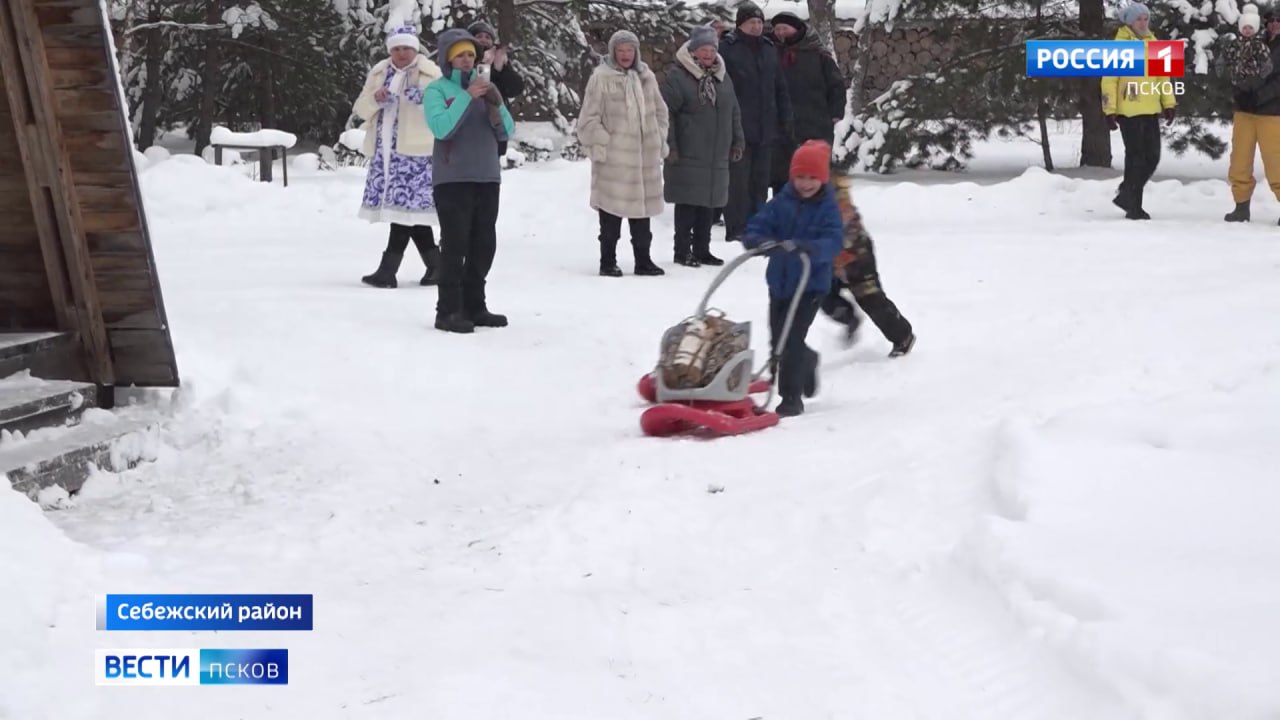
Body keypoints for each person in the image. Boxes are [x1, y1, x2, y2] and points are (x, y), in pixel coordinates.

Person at [741, 140, 843, 418]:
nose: (806, 183)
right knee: (779, 339)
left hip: (810, 286)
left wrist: (810, 248)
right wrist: (757, 241)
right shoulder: (781, 203)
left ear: (822, 179)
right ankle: (807, 360)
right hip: (780, 283)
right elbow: (759, 225)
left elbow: (834, 240)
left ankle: (790, 398)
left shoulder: (828, 208)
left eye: (812, 178)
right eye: (800, 177)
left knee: (791, 340)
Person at [424, 28, 516, 333]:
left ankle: (475, 306)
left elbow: (506, 131)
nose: (466, 60)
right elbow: (441, 128)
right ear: (449, 59)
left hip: (487, 176)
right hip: (452, 178)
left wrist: (495, 101)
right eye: (460, 55)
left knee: (483, 244)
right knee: (455, 244)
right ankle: (447, 310)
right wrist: (466, 98)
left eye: (470, 55)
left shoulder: (485, 88)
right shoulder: (437, 90)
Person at [353, 26, 443, 288]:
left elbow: (445, 106)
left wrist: (424, 98)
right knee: (407, 213)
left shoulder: (430, 73)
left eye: (406, 48)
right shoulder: (380, 72)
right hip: (385, 154)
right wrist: (375, 99)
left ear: (415, 49)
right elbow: (360, 108)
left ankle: (388, 271)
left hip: (416, 154)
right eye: (396, 48)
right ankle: (436, 267)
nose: (401, 53)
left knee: (404, 212)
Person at [576, 30, 669, 277]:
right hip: (614, 160)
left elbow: (661, 111)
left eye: (630, 50)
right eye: (621, 50)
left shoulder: (646, 77)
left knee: (642, 213)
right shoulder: (601, 78)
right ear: (613, 52)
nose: (626, 55)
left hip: (644, 158)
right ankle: (608, 261)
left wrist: (657, 136)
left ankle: (643, 260)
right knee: (611, 215)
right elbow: (588, 118)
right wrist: (605, 141)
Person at [662, 25, 744, 267]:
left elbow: (734, 111)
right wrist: (671, 145)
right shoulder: (677, 76)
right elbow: (666, 114)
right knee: (687, 203)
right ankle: (681, 251)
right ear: (693, 51)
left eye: (711, 49)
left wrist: (738, 140)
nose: (708, 54)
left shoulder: (722, 76)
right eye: (703, 50)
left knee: (708, 203)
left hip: (716, 152)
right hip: (688, 151)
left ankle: (702, 249)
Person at [821, 173, 916, 357]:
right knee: (821, 294)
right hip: (831, 261)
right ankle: (848, 317)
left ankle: (902, 336)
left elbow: (848, 232)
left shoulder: (839, 207)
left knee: (871, 299)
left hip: (858, 258)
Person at [720, 2, 793, 242]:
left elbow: (780, 86)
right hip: (739, 126)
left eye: (760, 22)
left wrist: (785, 120)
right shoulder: (727, 49)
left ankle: (758, 224)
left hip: (766, 126)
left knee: (761, 180)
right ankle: (737, 226)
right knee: (738, 181)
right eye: (752, 22)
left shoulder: (769, 48)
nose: (757, 26)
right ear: (741, 24)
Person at [1101, 2, 1176, 220]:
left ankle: (1126, 194)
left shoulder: (1154, 43)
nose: (1143, 23)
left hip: (1150, 108)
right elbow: (1109, 80)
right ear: (1129, 22)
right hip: (1128, 110)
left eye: (1146, 18)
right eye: (1138, 19)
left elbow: (1163, 76)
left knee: (1152, 156)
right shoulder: (1119, 45)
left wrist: (1169, 103)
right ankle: (1134, 206)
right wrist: (1110, 110)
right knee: (1136, 157)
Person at [767, 12, 846, 196]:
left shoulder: (818, 53)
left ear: (796, 29)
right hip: (781, 126)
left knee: (814, 173)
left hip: (815, 123)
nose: (780, 33)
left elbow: (836, 84)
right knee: (783, 174)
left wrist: (835, 113)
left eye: (784, 28)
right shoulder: (770, 52)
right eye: (777, 29)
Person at [1223, 4, 1280, 222]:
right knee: (1239, 160)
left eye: (1279, 20)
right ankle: (1241, 206)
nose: (1275, 24)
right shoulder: (1252, 41)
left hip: (1273, 113)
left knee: (1276, 162)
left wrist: (1259, 96)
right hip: (1244, 111)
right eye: (1271, 20)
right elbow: (1235, 69)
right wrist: (1239, 93)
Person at [467, 20, 526, 157]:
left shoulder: (499, 61)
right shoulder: (465, 59)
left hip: (496, 123)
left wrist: (501, 69)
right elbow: (476, 86)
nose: (483, 40)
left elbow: (515, 89)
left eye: (488, 37)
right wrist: (483, 65)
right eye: (479, 36)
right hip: (471, 122)